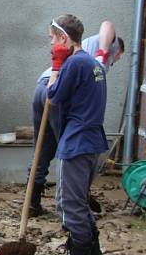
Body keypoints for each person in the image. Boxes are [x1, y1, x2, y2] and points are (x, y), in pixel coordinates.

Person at [28, 20, 123, 216]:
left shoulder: (78, 56)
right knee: (71, 150)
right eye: (118, 56)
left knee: (43, 148)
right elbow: (107, 24)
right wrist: (104, 52)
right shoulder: (93, 56)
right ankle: (74, 201)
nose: (117, 60)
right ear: (117, 49)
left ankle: (32, 202)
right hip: (54, 89)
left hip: (42, 87)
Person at [43, 15, 108, 255]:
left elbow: (53, 96)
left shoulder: (74, 64)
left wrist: (57, 65)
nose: (51, 45)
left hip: (78, 142)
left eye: (52, 39)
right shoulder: (92, 63)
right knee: (76, 201)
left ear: (63, 39)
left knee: (69, 204)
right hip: (90, 140)